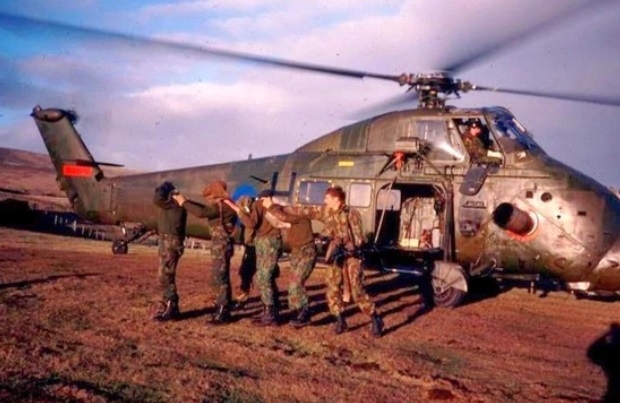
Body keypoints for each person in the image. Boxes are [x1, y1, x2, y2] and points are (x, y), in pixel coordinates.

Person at [272, 186, 384, 337]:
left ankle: (375, 318)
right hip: (335, 256)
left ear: (336, 199)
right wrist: (279, 208)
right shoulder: (326, 212)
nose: (324, 201)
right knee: (332, 288)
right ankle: (340, 320)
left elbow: (358, 239)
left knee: (357, 291)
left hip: (350, 257)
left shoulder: (351, 214)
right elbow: (306, 211)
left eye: (327, 198)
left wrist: (346, 244)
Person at [172, 180, 237, 325]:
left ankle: (223, 311)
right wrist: (187, 201)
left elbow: (202, 212)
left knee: (219, 278)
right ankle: (222, 307)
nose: (210, 199)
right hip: (221, 246)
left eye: (212, 196)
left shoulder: (223, 207)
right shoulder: (225, 205)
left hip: (221, 246)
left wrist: (183, 202)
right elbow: (205, 210)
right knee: (221, 277)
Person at [223, 190, 285, 326]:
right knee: (268, 277)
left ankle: (270, 314)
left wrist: (238, 210)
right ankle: (272, 309)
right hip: (274, 242)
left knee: (263, 278)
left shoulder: (259, 204)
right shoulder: (277, 206)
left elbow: (251, 223)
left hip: (264, 243)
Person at [264, 201, 317, 328]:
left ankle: (304, 313)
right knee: (293, 285)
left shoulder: (301, 216)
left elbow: (283, 217)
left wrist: (271, 206)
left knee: (296, 283)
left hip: (306, 252)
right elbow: (279, 221)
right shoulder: (295, 218)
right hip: (296, 252)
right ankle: (296, 312)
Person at [151, 181, 187, 322]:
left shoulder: (174, 205)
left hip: (169, 242)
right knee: (166, 275)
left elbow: (157, 199)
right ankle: (170, 306)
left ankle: (170, 307)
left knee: (165, 276)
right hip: (170, 241)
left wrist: (164, 187)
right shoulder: (174, 206)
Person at [234, 195, 257, 309]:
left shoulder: (249, 215)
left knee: (245, 273)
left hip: (253, 247)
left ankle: (242, 299)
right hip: (253, 247)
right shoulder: (255, 212)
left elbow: (250, 226)